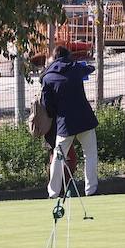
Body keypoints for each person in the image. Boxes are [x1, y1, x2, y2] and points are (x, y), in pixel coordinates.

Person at [40, 45, 100, 198]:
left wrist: (57, 114)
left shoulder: (47, 77)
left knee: (58, 158)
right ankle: (91, 190)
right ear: (68, 56)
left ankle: (52, 193)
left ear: (53, 58)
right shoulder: (75, 69)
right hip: (85, 120)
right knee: (90, 155)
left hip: (64, 124)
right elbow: (90, 69)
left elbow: (48, 105)